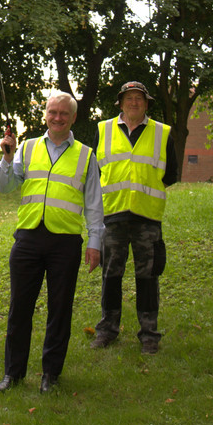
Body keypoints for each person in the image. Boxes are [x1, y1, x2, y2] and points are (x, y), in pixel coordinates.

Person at [0, 92, 104, 394]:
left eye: (63, 114)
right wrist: (6, 155)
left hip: (65, 242)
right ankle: (12, 374)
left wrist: (95, 242)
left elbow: (94, 203)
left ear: (73, 118)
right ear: (45, 115)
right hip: (28, 237)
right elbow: (5, 186)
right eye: (52, 112)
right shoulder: (26, 149)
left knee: (60, 310)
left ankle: (50, 375)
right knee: (19, 310)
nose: (57, 118)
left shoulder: (85, 155)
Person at [91, 81, 179, 354]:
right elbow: (94, 171)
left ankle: (149, 334)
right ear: (120, 103)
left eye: (138, 99)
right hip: (113, 216)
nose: (133, 103)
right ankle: (107, 330)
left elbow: (170, 174)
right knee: (110, 275)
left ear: (146, 104)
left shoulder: (162, 133)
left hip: (147, 217)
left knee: (148, 277)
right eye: (128, 98)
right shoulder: (102, 130)